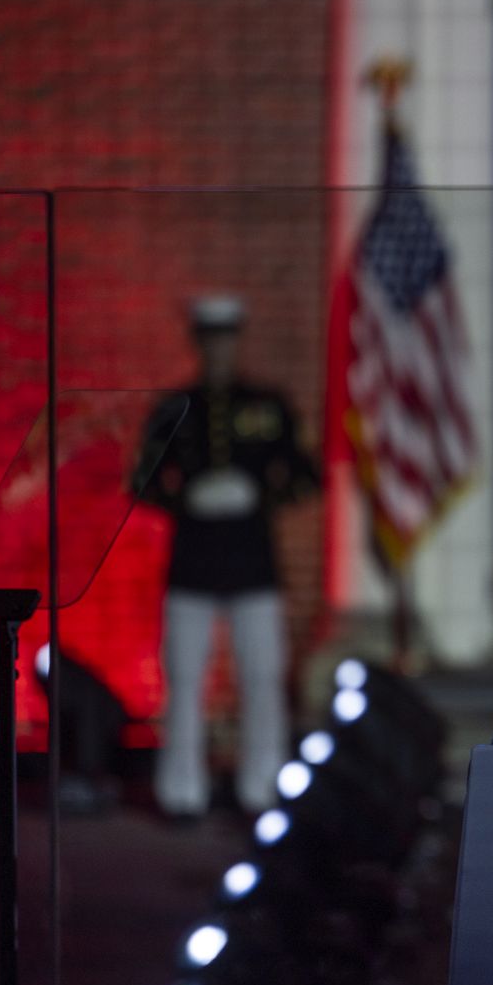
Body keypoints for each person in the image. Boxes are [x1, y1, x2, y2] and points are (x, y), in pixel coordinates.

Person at [137, 296, 319, 820]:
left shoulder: (269, 404)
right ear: (199, 342)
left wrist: (257, 496)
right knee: (185, 680)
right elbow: (142, 480)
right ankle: (181, 792)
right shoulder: (175, 408)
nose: (218, 348)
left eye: (226, 338)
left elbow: (305, 475)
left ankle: (262, 786)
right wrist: (186, 499)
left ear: (236, 341)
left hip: (252, 562)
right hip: (192, 564)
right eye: (209, 339)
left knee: (262, 678)